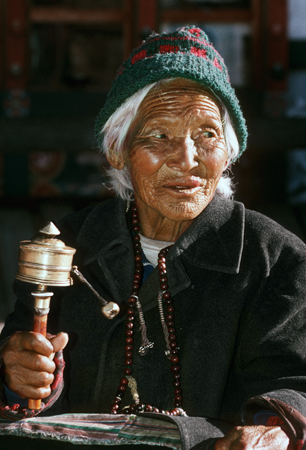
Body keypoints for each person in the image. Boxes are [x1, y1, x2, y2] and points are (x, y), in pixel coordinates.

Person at [1, 26, 306, 450]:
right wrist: (19, 378)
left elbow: (294, 380)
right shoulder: (68, 245)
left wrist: (276, 425)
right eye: (160, 136)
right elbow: (21, 369)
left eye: (207, 135)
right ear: (118, 150)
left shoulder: (276, 258)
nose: (187, 159)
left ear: (229, 150)